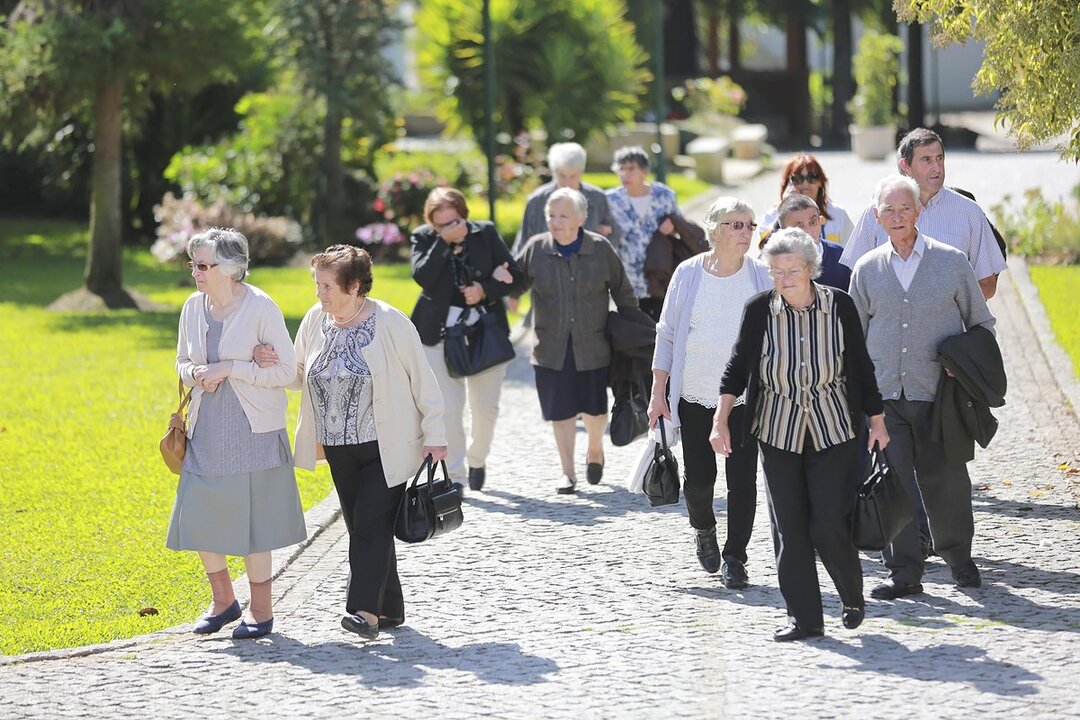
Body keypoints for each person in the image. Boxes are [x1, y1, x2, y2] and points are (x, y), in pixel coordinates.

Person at [711, 227, 890, 642]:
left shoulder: (838, 305)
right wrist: (721, 419)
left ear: (810, 269)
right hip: (778, 432)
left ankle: (851, 595)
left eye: (792, 270)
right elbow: (737, 367)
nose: (785, 278)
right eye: (776, 271)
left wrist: (877, 419)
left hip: (833, 430)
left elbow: (861, 366)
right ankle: (805, 619)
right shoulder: (759, 310)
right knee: (790, 529)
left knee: (828, 524)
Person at [270, 245, 446, 640]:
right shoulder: (316, 320)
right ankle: (390, 608)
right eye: (317, 284)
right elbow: (298, 374)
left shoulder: (391, 322)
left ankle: (364, 613)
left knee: (368, 524)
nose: (319, 293)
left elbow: (423, 380)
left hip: (386, 445)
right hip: (338, 448)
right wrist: (271, 362)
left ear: (354, 286)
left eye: (327, 286)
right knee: (366, 527)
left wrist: (436, 434)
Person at [849, 175, 995, 601]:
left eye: (904, 208)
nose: (896, 217)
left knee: (945, 480)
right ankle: (904, 573)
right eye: (888, 210)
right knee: (893, 484)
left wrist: (963, 366)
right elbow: (853, 339)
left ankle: (960, 559)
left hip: (939, 396)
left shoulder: (952, 262)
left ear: (918, 212)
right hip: (885, 399)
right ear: (876, 216)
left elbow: (981, 324)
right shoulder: (867, 269)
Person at [168, 227, 306, 640]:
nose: (196, 273)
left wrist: (231, 368)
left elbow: (288, 373)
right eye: (193, 264)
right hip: (206, 428)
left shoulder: (261, 307)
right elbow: (181, 360)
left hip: (254, 430)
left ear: (230, 269)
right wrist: (196, 373)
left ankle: (261, 611)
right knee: (199, 516)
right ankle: (223, 601)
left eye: (204, 266)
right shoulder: (193, 307)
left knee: (254, 526)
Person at [649, 196, 772, 587]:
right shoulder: (688, 274)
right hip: (695, 393)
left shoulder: (761, 275)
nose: (745, 232)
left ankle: (736, 557)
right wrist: (658, 392)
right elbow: (667, 334)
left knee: (742, 481)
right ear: (715, 231)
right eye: (736, 225)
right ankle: (703, 528)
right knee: (700, 480)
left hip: (745, 398)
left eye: (750, 225)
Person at [515, 187, 638, 494]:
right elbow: (514, 282)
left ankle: (595, 449)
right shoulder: (536, 248)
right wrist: (501, 288)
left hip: (593, 346)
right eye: (551, 216)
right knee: (561, 413)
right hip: (550, 348)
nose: (555, 222)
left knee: (595, 410)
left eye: (563, 216)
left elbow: (623, 291)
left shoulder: (600, 248)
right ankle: (567, 472)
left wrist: (634, 331)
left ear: (582, 218)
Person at [409, 187, 524, 493]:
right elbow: (422, 277)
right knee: (447, 410)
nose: (447, 228)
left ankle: (477, 458)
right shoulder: (424, 238)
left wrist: (484, 290)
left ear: (464, 216)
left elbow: (517, 275)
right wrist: (443, 242)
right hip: (438, 336)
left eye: (453, 223)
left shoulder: (484, 233)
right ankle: (455, 476)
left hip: (484, 333)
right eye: (440, 225)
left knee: (486, 410)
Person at [840, 128, 1007, 300]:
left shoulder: (970, 212)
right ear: (905, 166)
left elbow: (987, 285)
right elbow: (855, 278)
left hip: (951, 318)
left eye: (939, 159)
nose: (936, 168)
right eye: (926, 160)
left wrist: (948, 303)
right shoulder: (876, 212)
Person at [605, 146, 680, 317]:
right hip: (627, 281)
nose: (625, 174)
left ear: (644, 171)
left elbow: (680, 226)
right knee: (633, 328)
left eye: (631, 169)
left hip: (660, 277)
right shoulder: (610, 200)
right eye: (621, 169)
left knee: (661, 326)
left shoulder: (665, 195)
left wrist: (672, 227)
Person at [512, 142, 621, 254]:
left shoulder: (597, 197)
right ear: (554, 173)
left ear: (581, 173)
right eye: (562, 176)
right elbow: (522, 243)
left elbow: (615, 236)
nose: (567, 183)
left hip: (587, 262)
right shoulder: (536, 200)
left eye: (573, 176)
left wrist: (601, 238)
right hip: (546, 262)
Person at [761, 153, 855, 246]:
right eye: (798, 178)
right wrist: (784, 211)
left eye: (812, 177)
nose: (805, 183)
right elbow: (765, 247)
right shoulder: (772, 215)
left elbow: (854, 249)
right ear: (788, 183)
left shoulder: (838, 214)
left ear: (821, 182)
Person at [763, 194, 850, 291]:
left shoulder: (840, 256)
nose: (808, 232)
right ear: (784, 230)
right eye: (799, 226)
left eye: (812, 222)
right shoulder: (771, 264)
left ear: (820, 221)